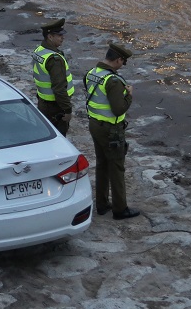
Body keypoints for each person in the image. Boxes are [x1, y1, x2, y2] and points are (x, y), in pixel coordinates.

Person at [84, 42, 141, 220]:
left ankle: (101, 204)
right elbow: (118, 109)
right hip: (111, 129)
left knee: (102, 165)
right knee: (116, 168)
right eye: (123, 62)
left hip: (95, 124)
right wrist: (129, 95)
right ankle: (120, 209)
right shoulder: (113, 81)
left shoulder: (92, 73)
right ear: (117, 60)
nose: (122, 66)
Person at [31, 18, 74, 135]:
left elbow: (38, 75)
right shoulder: (54, 59)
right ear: (50, 37)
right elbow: (59, 88)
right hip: (56, 107)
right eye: (59, 35)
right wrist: (67, 110)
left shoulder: (39, 51)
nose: (62, 37)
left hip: (43, 102)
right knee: (59, 138)